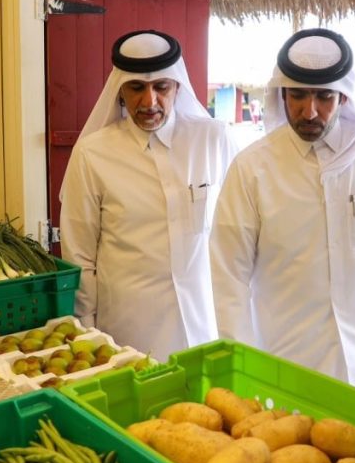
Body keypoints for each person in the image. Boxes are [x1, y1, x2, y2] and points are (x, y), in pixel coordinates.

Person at [210, 28, 355, 406]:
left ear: (344, 96)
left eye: (324, 96)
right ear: (281, 94)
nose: (310, 111)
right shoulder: (252, 167)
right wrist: (242, 362)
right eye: (298, 95)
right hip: (289, 357)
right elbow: (228, 273)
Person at [60, 30, 237, 359]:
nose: (149, 102)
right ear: (120, 90)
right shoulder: (92, 154)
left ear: (177, 87)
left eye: (161, 87)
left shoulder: (213, 140)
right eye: (136, 88)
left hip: (204, 324)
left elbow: (238, 235)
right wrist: (89, 333)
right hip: (127, 330)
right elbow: (79, 254)